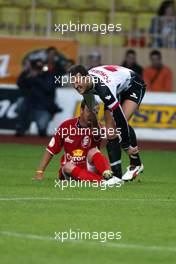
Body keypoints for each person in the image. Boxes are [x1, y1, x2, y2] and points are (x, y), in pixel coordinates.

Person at [69, 65, 146, 181]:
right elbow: (92, 109)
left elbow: (119, 118)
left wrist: (126, 146)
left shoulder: (104, 89)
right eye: (73, 83)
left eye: (77, 82)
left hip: (134, 84)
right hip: (117, 85)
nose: (75, 86)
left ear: (86, 78)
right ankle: (117, 176)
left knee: (120, 122)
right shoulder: (85, 85)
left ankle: (134, 165)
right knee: (111, 132)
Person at [33, 100, 122, 186]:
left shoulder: (97, 128)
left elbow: (99, 133)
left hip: (89, 167)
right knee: (68, 167)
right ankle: (103, 181)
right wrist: (40, 172)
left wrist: (94, 121)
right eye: (89, 111)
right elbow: (50, 150)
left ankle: (108, 176)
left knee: (93, 151)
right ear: (81, 110)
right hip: (70, 169)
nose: (92, 114)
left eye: (96, 112)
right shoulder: (66, 126)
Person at [16, 59, 61, 137]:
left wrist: (36, 78)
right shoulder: (29, 76)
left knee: (42, 131)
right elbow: (19, 83)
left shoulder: (49, 76)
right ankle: (20, 128)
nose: (38, 70)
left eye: (40, 68)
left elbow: (48, 88)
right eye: (36, 68)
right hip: (30, 106)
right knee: (21, 102)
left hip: (44, 107)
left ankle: (41, 129)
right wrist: (25, 71)